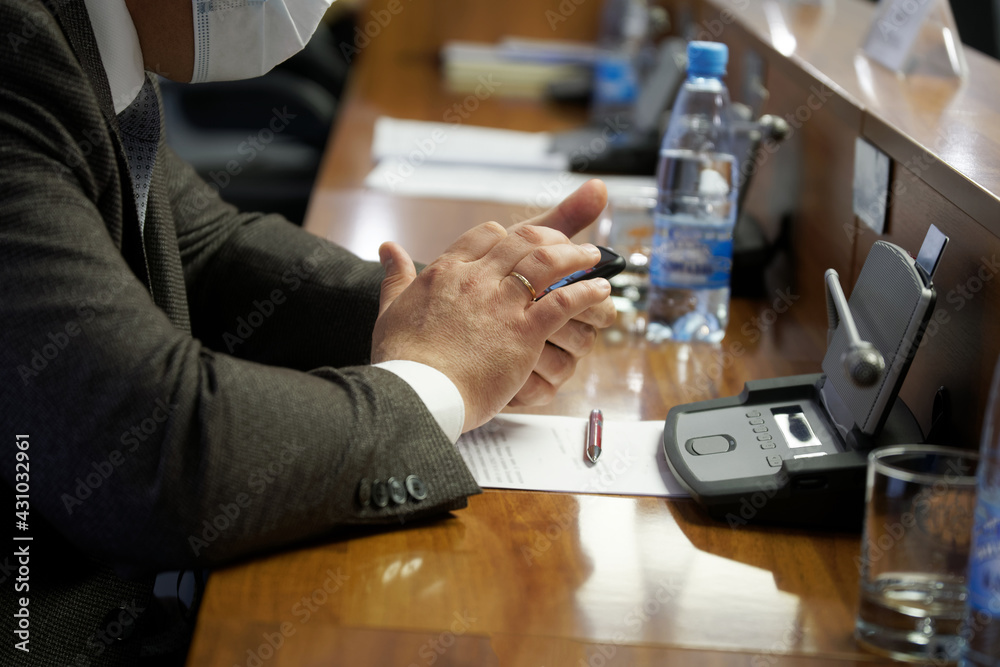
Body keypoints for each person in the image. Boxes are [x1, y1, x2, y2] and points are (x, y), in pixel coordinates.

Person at [0, 0, 616, 664]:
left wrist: (462, 321)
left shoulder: (89, 33)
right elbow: (148, 451)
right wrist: (432, 380)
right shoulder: (17, 49)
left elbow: (203, 253)